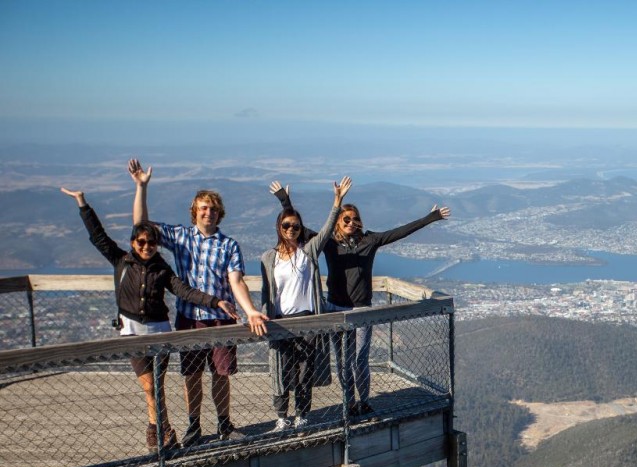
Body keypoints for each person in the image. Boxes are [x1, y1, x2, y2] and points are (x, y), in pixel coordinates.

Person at [60, 187, 238, 452]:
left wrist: (215, 302)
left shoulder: (161, 268)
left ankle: (161, 434)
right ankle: (160, 430)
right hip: (132, 332)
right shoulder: (121, 261)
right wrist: (83, 204)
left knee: (158, 384)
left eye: (151, 243)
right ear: (133, 242)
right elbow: (98, 236)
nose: (146, 246)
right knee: (150, 386)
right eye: (141, 242)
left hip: (160, 331)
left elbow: (183, 290)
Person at [129, 159, 268, 446]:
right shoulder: (180, 237)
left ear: (220, 215)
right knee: (191, 375)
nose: (209, 212)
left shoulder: (229, 245)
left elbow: (236, 281)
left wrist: (250, 310)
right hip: (189, 316)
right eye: (204, 208)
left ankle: (224, 423)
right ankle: (194, 424)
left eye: (213, 209)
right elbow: (141, 226)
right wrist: (141, 187)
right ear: (195, 212)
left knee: (221, 375)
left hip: (222, 318)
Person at [278, 186, 450, 416]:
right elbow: (298, 229)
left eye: (354, 219)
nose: (350, 222)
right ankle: (349, 403)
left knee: (359, 360)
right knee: (342, 362)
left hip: (362, 310)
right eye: (345, 219)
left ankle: (364, 400)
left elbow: (400, 232)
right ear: (338, 223)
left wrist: (432, 217)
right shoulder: (329, 243)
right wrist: (285, 201)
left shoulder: (370, 240)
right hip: (336, 309)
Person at [262, 176, 351, 431]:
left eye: (296, 227)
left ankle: (301, 414)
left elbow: (325, 231)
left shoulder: (307, 252)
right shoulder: (269, 258)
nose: (292, 229)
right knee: (281, 370)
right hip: (280, 321)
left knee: (304, 370)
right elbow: (268, 293)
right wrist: (264, 316)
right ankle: (282, 416)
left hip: (308, 319)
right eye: (287, 225)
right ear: (280, 227)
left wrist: (337, 201)